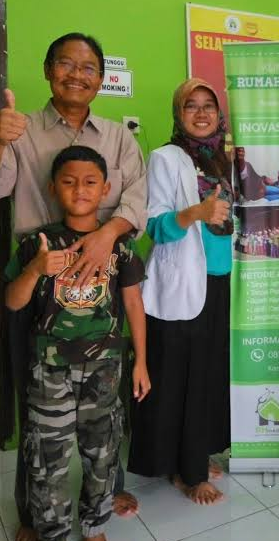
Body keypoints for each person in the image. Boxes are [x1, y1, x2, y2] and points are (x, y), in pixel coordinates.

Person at [0, 32, 146, 541]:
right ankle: (34, 514)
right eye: (66, 64)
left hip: (103, 278)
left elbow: (137, 198)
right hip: (36, 276)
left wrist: (107, 235)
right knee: (40, 412)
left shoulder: (118, 137)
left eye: (88, 68)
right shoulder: (20, 129)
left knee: (103, 411)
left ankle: (101, 503)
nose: (76, 75)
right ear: (48, 70)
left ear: (101, 79)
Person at [128, 78, 232, 505]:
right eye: (192, 105)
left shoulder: (225, 159)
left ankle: (196, 452)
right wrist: (194, 213)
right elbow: (153, 225)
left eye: (209, 105)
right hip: (180, 282)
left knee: (207, 374)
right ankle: (185, 472)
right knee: (176, 378)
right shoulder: (165, 157)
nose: (202, 113)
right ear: (178, 113)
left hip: (219, 281)